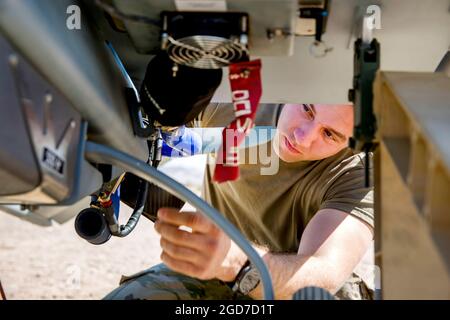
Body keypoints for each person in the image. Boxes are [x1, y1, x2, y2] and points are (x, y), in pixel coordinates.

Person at [104, 103, 374, 300]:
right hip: (215, 272)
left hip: (293, 288)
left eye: (329, 134)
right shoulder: (240, 101)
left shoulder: (359, 172)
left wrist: (239, 263)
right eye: (307, 109)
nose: (302, 137)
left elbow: (323, 273)